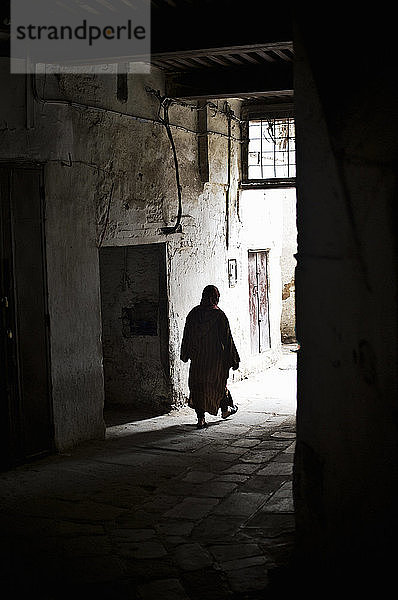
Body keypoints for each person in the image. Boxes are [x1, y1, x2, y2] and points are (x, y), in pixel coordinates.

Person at [180, 284, 240, 429]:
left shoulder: (193, 314)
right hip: (215, 360)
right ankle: (225, 410)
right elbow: (227, 339)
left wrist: (185, 353)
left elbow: (187, 335)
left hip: (198, 359)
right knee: (218, 385)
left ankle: (201, 420)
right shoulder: (219, 315)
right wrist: (233, 359)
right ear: (215, 297)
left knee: (198, 388)